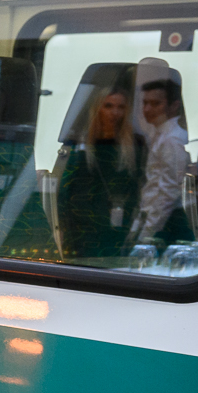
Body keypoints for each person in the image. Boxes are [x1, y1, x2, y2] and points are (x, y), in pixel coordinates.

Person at [54, 74, 144, 261]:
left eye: (121, 107)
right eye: (108, 106)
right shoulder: (80, 145)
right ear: (98, 108)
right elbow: (64, 190)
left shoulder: (135, 146)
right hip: (83, 231)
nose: (115, 113)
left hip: (121, 228)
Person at [132, 58, 193, 248]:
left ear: (174, 106)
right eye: (145, 103)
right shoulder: (158, 134)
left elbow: (168, 193)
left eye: (155, 104)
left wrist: (146, 234)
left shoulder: (172, 140)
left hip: (166, 225)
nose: (147, 109)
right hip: (154, 218)